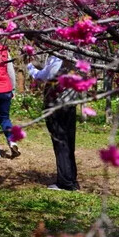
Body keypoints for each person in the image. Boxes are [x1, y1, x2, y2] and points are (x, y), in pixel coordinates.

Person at [27, 53, 79, 191]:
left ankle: (65, 183)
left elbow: (45, 76)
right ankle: (71, 179)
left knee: (60, 143)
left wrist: (30, 66)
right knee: (68, 142)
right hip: (70, 104)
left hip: (57, 105)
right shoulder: (77, 57)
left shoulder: (59, 59)